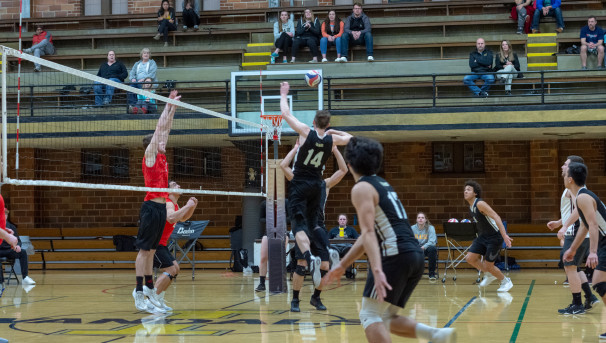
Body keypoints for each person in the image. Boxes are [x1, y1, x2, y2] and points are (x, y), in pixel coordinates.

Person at [323, 137, 456, 343]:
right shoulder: (383, 184)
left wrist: (377, 270)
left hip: (395, 256)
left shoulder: (361, 188)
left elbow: (367, 234)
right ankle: (436, 335)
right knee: (387, 318)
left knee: (369, 315)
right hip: (414, 256)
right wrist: (342, 264)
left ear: (349, 165)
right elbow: (366, 237)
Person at [279, 81, 352, 309]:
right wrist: (333, 132)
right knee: (304, 262)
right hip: (314, 184)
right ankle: (296, 298)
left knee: (313, 250)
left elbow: (285, 113)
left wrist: (284, 94)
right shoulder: (331, 140)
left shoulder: (306, 132)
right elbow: (350, 137)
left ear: (313, 122)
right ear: (328, 124)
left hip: (302, 182)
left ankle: (315, 294)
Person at [270, 138, 348, 311]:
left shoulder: (324, 184)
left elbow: (343, 170)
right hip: (303, 227)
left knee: (325, 267)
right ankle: (295, 300)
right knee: (301, 265)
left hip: (318, 227)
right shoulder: (298, 179)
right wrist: (296, 148)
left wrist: (335, 149)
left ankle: (316, 297)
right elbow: (283, 165)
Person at [132, 89, 181, 314]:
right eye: (159, 139)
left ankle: (151, 290)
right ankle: (139, 291)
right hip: (151, 207)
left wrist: (173, 109)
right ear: (152, 143)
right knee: (144, 251)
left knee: (151, 251)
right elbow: (160, 129)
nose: (163, 140)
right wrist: (166, 104)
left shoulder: (162, 155)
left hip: (161, 208)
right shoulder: (150, 156)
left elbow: (166, 128)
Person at [547, 156, 599, 315]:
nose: (562, 165)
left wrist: (565, 226)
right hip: (576, 230)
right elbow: (573, 210)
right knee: (573, 267)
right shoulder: (574, 186)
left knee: (569, 266)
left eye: (565, 163)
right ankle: (589, 297)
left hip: (576, 232)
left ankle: (577, 303)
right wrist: (559, 222)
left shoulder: (574, 187)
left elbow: (579, 210)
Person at [562, 163, 606, 340]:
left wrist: (593, 252)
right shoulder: (580, 197)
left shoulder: (583, 197)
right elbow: (585, 226)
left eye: (565, 174)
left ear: (570, 179)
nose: (563, 177)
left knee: (598, 282)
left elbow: (594, 225)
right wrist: (572, 249)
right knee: (599, 282)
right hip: (603, 241)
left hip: (604, 242)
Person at [153, 180, 198, 311]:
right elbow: (171, 218)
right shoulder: (167, 202)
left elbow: (183, 218)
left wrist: (192, 207)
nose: (179, 186)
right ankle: (152, 299)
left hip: (161, 243)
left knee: (175, 269)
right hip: (154, 243)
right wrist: (188, 205)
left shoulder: (174, 205)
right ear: (169, 191)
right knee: (171, 270)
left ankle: (159, 298)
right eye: (174, 185)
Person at [464, 180, 513, 292]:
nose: (465, 191)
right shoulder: (471, 206)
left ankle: (505, 281)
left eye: (468, 190)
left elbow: (496, 217)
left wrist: (504, 235)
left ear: (475, 193)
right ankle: (489, 274)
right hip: (482, 236)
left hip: (494, 237)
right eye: (465, 190)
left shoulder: (480, 204)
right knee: (470, 258)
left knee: (489, 265)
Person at [0, 208, 36, 286]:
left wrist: (17, 246)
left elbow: (18, 240)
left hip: (9, 250)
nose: (4, 216)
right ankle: (0, 280)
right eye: (2, 214)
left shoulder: (12, 227)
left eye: (5, 214)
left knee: (22, 252)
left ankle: (25, 277)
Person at [411, 212, 438, 281]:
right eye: (419, 218)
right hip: (416, 249)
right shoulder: (412, 228)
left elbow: (432, 241)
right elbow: (410, 240)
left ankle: (431, 274)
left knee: (433, 248)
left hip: (426, 249)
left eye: (422, 218)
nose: (420, 219)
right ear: (416, 220)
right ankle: (412, 274)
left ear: (425, 220)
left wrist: (423, 247)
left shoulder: (431, 228)